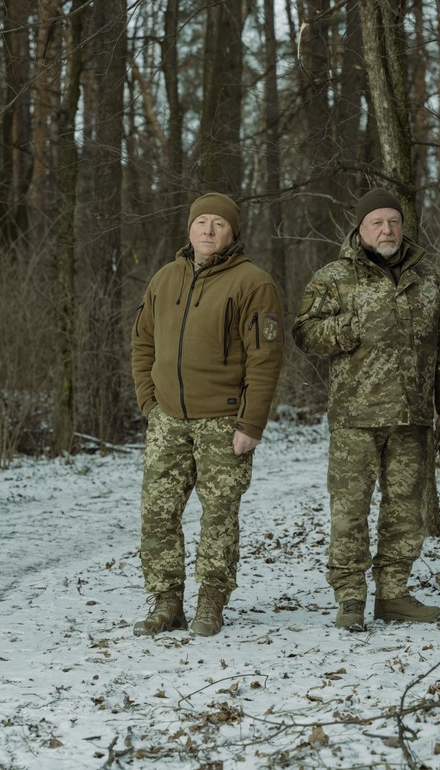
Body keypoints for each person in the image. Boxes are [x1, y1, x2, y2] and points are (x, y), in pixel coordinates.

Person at [292, 188, 440, 632]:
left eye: (393, 221)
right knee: (349, 512)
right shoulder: (334, 277)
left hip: (413, 419)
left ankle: (393, 595)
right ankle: (350, 598)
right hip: (355, 418)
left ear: (403, 227)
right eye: (377, 222)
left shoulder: (428, 280)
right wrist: (352, 326)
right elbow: (305, 333)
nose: (386, 229)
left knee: (405, 511)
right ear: (360, 228)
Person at [131, 192, 284, 637]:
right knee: (157, 515)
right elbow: (142, 343)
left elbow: (266, 359)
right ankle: (167, 603)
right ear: (190, 229)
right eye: (202, 222)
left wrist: (251, 423)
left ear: (233, 232)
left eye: (219, 223)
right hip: (168, 419)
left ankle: (211, 603)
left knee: (218, 514)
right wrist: (149, 402)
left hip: (223, 421)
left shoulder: (253, 283)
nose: (209, 230)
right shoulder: (164, 278)